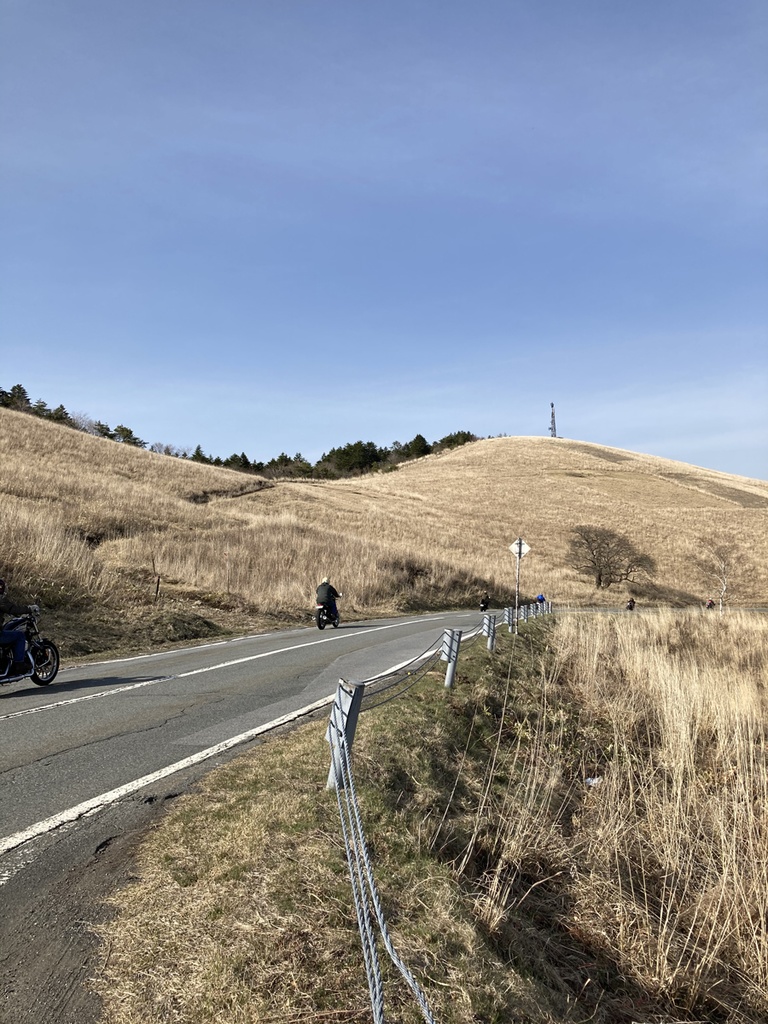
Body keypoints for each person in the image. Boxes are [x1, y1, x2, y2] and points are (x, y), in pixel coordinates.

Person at [0, 578, 32, 677]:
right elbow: (12, 609)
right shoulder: (1, 600)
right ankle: (19, 664)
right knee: (19, 636)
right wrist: (29, 609)